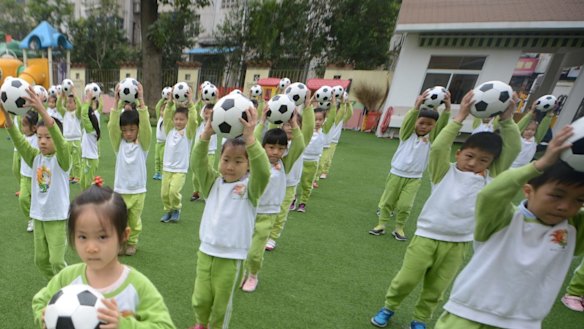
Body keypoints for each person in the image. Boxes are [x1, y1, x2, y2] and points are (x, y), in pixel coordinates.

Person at [370, 91, 521, 329]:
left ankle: (420, 319)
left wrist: (508, 120)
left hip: (458, 243)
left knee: (436, 288)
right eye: (469, 156)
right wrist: (458, 116)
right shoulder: (443, 172)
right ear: (459, 153)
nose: (473, 163)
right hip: (427, 236)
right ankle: (389, 306)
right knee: (406, 280)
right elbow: (439, 146)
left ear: (491, 163)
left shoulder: (490, 178)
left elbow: (513, 148)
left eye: (483, 160)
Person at [434, 125, 584, 329]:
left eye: (579, 200)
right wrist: (539, 165)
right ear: (528, 191)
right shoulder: (502, 220)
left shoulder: (574, 230)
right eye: (556, 195)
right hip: (469, 315)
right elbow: (490, 194)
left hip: (524, 324)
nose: (565, 206)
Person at [32, 183, 176, 328]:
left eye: (102, 237)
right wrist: (44, 316)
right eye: (82, 237)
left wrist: (124, 324)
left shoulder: (138, 286)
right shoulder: (67, 277)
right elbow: (40, 301)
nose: (91, 248)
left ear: (123, 235)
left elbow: (166, 326)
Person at [189, 106, 270, 329]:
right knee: (201, 297)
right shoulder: (212, 183)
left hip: (231, 257)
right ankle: (200, 324)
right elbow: (197, 163)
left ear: (248, 164)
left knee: (221, 304)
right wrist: (205, 135)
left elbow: (263, 170)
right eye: (226, 160)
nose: (230, 166)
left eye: (238, 161)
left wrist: (251, 140)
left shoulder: (251, 187)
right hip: (206, 251)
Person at [1, 87, 70, 279]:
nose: (42, 141)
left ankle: (68, 286)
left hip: (56, 217)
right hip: (39, 216)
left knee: (57, 260)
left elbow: (60, 141)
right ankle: (56, 283)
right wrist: (5, 113)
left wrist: (42, 110)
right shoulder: (35, 158)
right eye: (39, 137)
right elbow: (18, 140)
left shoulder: (63, 159)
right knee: (40, 260)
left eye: (48, 137)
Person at [369, 91, 450, 241]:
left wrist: (447, 110)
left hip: (414, 178)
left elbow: (443, 128)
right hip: (396, 174)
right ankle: (381, 224)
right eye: (421, 123)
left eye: (429, 124)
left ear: (434, 126)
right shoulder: (406, 135)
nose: (425, 127)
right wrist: (416, 106)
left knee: (405, 205)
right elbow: (408, 122)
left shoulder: (431, 139)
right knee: (387, 201)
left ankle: (399, 227)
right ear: (415, 123)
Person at [240, 109, 305, 292]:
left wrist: (294, 124)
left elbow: (299, 144)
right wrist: (262, 121)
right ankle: (243, 273)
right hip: (248, 210)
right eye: (271, 147)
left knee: (255, 252)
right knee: (243, 247)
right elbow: (253, 139)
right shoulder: (255, 159)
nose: (275, 152)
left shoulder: (285, 163)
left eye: (280, 148)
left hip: (268, 214)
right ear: (264, 147)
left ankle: (253, 275)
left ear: (285, 150)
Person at [267, 93, 315, 250]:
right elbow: (270, 127)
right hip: (271, 182)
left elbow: (308, 128)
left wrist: (307, 108)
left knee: (281, 213)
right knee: (267, 209)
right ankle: (263, 233)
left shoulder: (300, 142)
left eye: (293, 124)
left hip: (289, 184)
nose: (289, 126)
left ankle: (272, 237)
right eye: (286, 124)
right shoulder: (276, 140)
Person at [108, 83, 151, 256]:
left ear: (138, 129)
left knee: (134, 221)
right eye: (124, 130)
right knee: (120, 220)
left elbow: (147, 126)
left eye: (132, 129)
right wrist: (116, 104)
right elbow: (112, 127)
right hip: (121, 190)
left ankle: (132, 242)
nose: (128, 133)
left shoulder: (144, 145)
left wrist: (141, 100)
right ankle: (120, 243)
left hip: (138, 190)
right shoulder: (119, 145)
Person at [160, 89, 198, 223]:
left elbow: (194, 120)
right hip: (167, 167)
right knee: (164, 193)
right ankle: (168, 210)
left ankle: (176, 209)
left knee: (173, 191)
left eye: (182, 119)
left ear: (186, 121)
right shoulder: (170, 129)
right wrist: (170, 104)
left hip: (180, 169)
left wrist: (191, 104)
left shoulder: (188, 132)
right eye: (176, 119)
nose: (178, 122)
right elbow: (166, 117)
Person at [296, 96, 337, 213]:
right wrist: (308, 104)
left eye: (320, 119)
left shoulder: (324, 130)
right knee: (295, 182)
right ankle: (292, 201)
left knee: (307, 184)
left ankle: (303, 203)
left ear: (324, 120)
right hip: (300, 160)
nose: (317, 122)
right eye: (315, 119)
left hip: (313, 163)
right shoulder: (305, 129)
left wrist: (333, 105)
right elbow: (304, 115)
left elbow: (332, 118)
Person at [317, 96, 353, 181]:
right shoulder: (322, 119)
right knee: (319, 158)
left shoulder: (339, 119)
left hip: (332, 141)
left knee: (327, 158)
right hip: (321, 141)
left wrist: (347, 104)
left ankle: (324, 172)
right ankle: (317, 174)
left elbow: (349, 114)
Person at [511, 103, 553, 168]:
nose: (530, 131)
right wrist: (530, 113)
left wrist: (548, 116)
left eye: (533, 130)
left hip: (522, 169)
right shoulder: (517, 138)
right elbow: (520, 125)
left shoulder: (535, 140)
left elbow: (543, 128)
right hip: (510, 166)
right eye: (527, 129)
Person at [18, 110, 39, 232]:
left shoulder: (38, 138)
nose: (23, 128)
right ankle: (30, 219)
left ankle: (38, 219)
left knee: (38, 201)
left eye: (25, 125)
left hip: (36, 177)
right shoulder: (22, 138)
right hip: (24, 176)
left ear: (34, 127)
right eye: (22, 125)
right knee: (23, 199)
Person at [191, 103, 217, 202]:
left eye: (210, 114)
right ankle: (196, 192)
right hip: (199, 153)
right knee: (195, 177)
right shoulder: (199, 124)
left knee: (207, 173)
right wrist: (199, 100)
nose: (207, 116)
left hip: (210, 153)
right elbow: (195, 111)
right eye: (206, 113)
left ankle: (207, 193)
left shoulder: (216, 125)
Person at [57, 89, 82, 184]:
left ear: (75, 104)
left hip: (75, 140)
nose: (68, 104)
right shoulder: (65, 113)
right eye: (67, 102)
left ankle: (78, 176)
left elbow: (80, 107)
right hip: (66, 140)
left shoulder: (77, 114)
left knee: (76, 160)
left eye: (71, 102)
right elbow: (58, 106)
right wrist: (61, 96)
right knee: (69, 159)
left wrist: (76, 96)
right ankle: (71, 176)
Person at [79, 89, 101, 190]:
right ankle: (85, 200)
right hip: (86, 158)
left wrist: (87, 102)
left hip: (90, 160)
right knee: (83, 182)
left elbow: (84, 115)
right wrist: (87, 101)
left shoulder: (91, 130)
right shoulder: (89, 129)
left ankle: (90, 201)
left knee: (87, 184)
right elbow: (84, 113)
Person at [152, 94, 169, 181]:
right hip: (158, 142)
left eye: (166, 110)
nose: (163, 112)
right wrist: (163, 99)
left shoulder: (169, 120)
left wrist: (170, 102)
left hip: (165, 143)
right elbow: (157, 107)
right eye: (163, 110)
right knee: (157, 158)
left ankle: (163, 173)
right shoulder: (160, 118)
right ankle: (157, 172)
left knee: (163, 159)